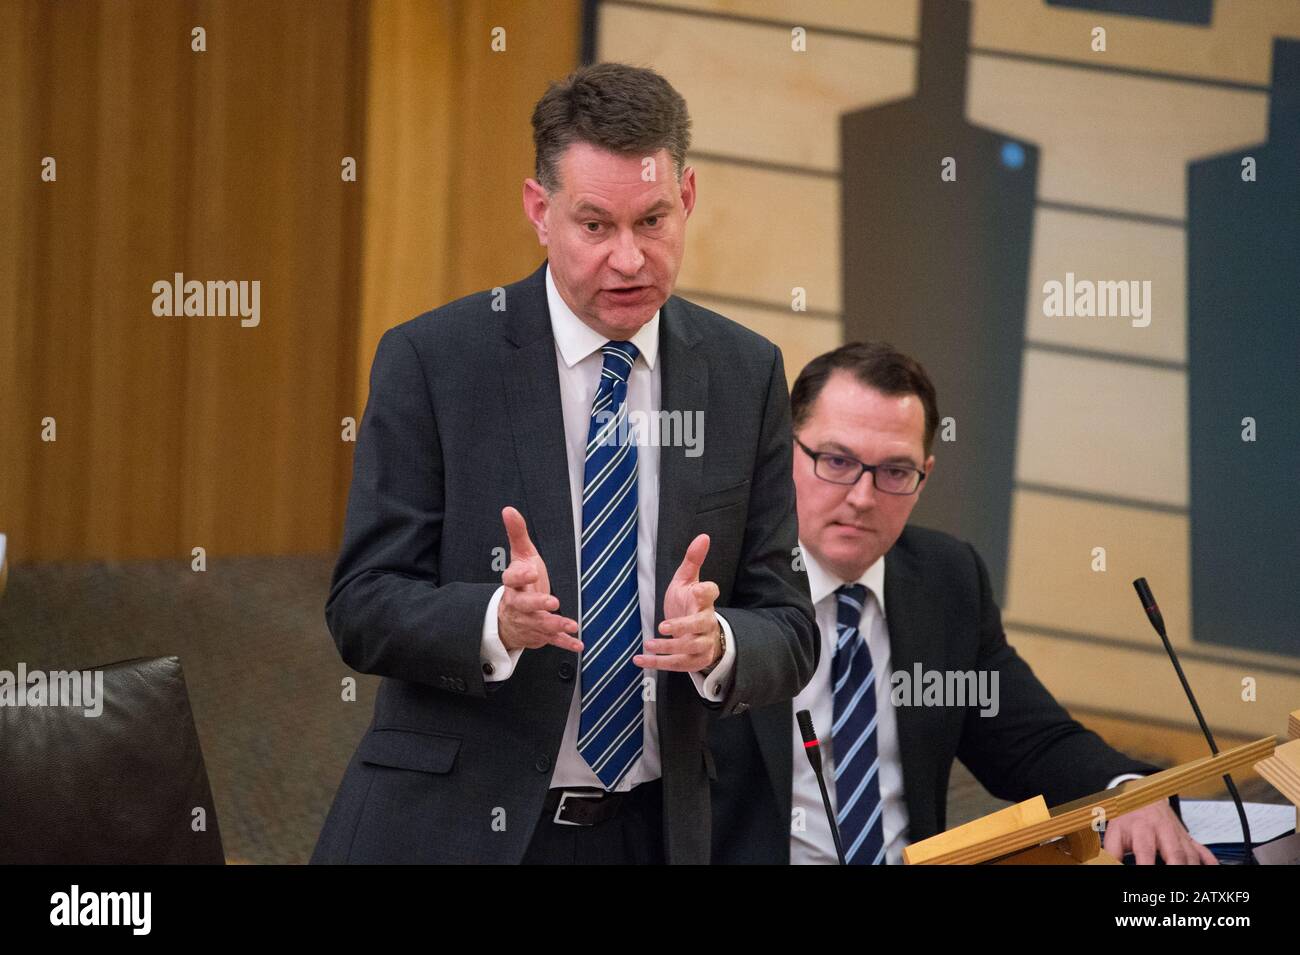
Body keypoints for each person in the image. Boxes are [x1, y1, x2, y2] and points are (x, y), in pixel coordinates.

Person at [311, 62, 817, 865]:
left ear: (686, 199)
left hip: (656, 833)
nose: (628, 259)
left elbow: (790, 626)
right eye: (595, 225)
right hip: (463, 824)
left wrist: (717, 640)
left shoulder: (744, 372)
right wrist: (492, 624)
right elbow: (362, 604)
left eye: (652, 221)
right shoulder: (435, 361)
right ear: (539, 211)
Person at [709, 341, 1217, 865]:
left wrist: (1124, 790)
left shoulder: (945, 580)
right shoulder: (721, 588)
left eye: (895, 472)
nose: (862, 496)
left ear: (924, 474)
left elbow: (1031, 741)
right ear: (781, 452)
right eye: (837, 461)